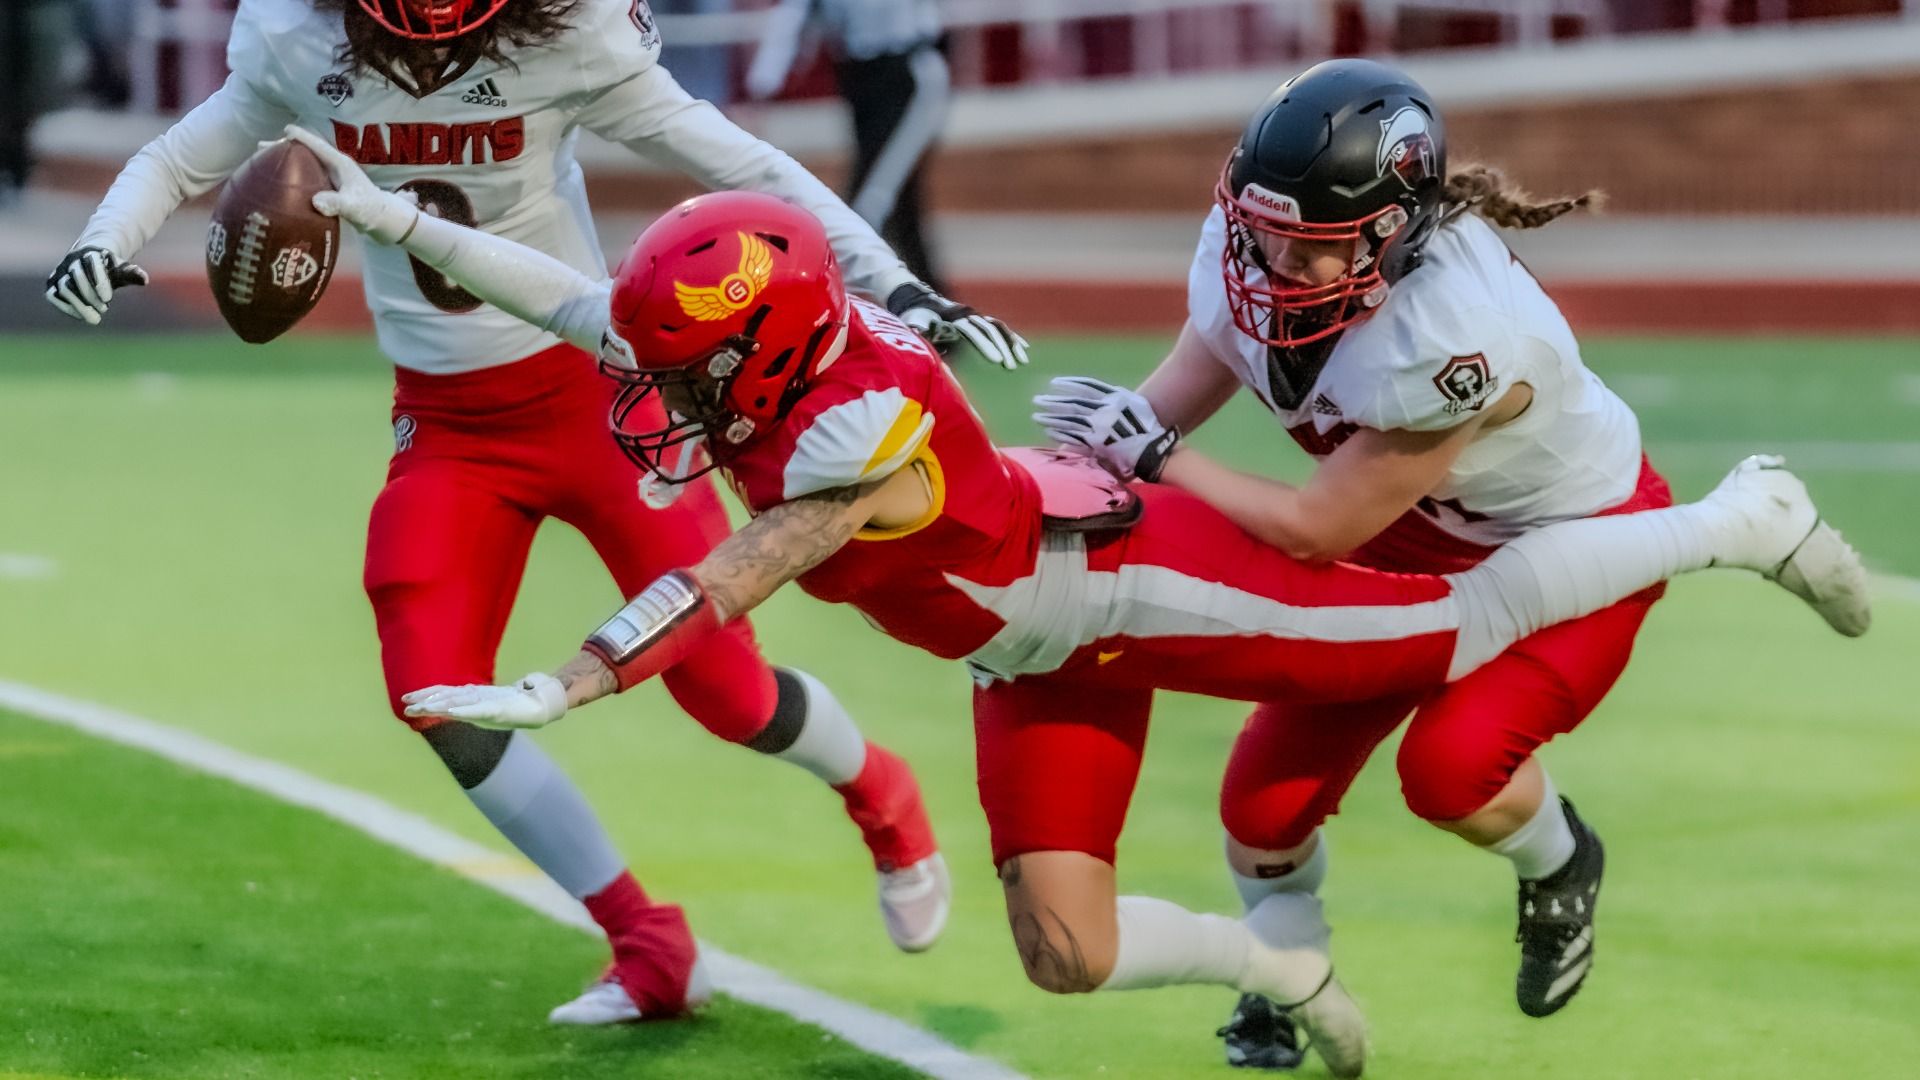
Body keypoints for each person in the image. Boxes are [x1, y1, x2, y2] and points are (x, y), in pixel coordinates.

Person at [290, 139, 1867, 1076]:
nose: (657, 393)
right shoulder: (767, 362)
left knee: (1451, 646)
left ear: (761, 360)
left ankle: (1740, 519)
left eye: (691, 371)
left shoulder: (854, 432)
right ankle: (1288, 975)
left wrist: (568, 684)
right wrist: (388, 221)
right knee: (1063, 952)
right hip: (1026, 647)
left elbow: (740, 563)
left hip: (1130, 578)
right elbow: (576, 304)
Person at [42, 0, 1033, 1025]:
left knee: (723, 694)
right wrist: (105, 237)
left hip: (599, 398)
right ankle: (649, 944)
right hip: (446, 421)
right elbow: (174, 154)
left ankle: (882, 796)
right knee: (433, 692)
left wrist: (899, 284)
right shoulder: (297, 37)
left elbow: (742, 165)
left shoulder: (574, 34)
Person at [1030, 57, 1870, 1067]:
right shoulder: (1258, 242)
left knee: (1452, 773)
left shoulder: (1452, 334)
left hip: (1566, 543)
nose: (1269, 268)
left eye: (1307, 250)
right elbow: (1200, 366)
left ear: (1395, 233)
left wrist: (1159, 461)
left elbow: (1317, 529)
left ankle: (1560, 862)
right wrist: (1071, 479)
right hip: (1404, 523)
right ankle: (1283, 963)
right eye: (1261, 236)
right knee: (1260, 803)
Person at [745, 0, 950, 289]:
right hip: (859, 79)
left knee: (870, 202)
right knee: (900, 204)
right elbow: (791, 19)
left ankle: (851, 311)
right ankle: (936, 305)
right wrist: (762, 88)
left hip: (908, 73)